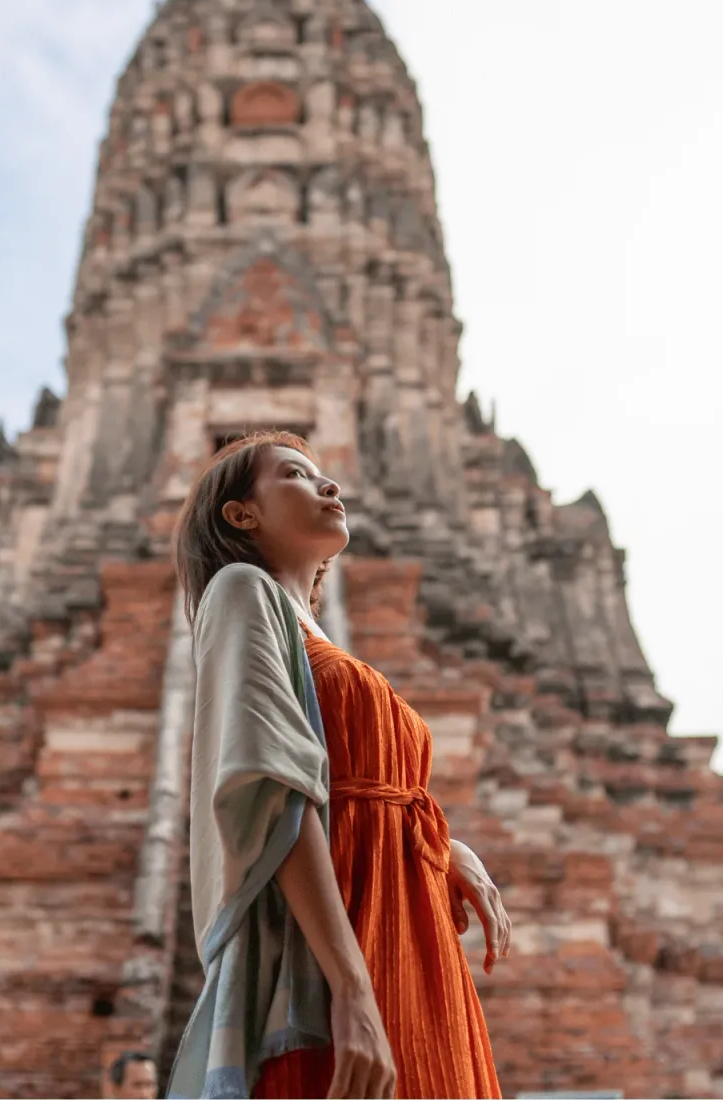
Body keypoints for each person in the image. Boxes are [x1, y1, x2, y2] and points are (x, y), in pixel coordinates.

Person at [166, 431, 510, 1100]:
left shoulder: (320, 637)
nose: (331, 487)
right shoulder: (242, 591)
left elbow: (355, 782)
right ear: (242, 514)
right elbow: (271, 791)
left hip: (409, 932)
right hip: (333, 955)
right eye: (296, 474)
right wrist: (352, 993)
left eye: (326, 475)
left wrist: (444, 850)